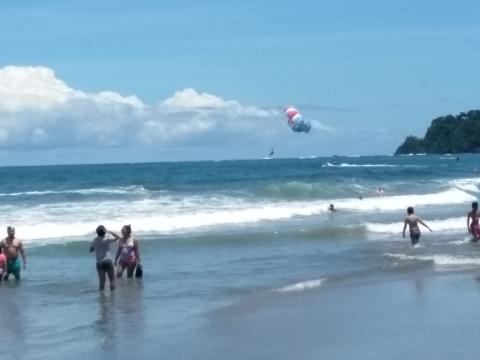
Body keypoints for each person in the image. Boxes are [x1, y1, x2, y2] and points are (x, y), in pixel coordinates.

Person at [90, 225, 120, 292]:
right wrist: (110, 232)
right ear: (104, 232)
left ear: (97, 232)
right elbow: (118, 237)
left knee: (101, 282)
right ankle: (113, 298)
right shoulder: (107, 239)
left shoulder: (95, 240)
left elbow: (91, 250)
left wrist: (96, 247)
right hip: (107, 260)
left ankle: (102, 300)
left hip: (99, 262)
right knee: (112, 280)